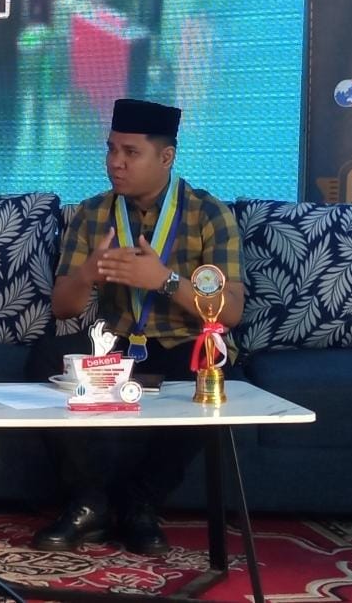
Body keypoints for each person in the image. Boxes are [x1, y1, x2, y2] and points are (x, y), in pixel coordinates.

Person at [25, 99, 244, 555]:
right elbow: (63, 307)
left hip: (182, 344)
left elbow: (230, 312)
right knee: (47, 357)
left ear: (166, 157)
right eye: (111, 149)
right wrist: (88, 274)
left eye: (130, 152)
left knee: (215, 374)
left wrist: (164, 280)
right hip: (116, 347)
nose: (115, 163)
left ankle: (140, 502)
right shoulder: (93, 213)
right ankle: (90, 503)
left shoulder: (208, 214)